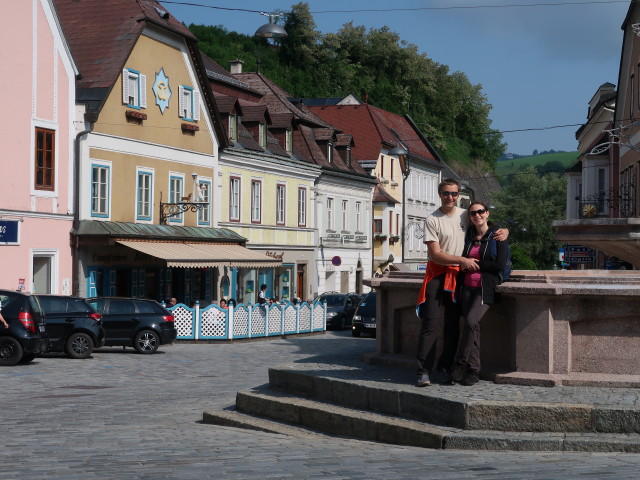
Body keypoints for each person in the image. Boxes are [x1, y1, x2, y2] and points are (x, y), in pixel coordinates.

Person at [415, 179, 508, 387]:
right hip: (438, 274)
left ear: (459, 196)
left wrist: (504, 232)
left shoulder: (464, 215)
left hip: (459, 277)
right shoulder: (432, 219)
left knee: (452, 326)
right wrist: (463, 260)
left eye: (454, 194)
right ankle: (423, 371)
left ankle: (445, 367)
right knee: (430, 323)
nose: (450, 197)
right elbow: (435, 254)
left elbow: (484, 223)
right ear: (439, 194)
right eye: (446, 193)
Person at [451, 202, 509, 386]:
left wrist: (473, 263)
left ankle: (460, 361)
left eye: (481, 212)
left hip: (485, 288)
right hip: (466, 287)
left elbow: (499, 265)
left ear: (487, 213)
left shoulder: (498, 236)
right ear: (470, 217)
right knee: (472, 328)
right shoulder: (467, 236)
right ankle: (473, 371)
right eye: (473, 213)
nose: (477, 215)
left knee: (470, 322)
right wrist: (464, 262)